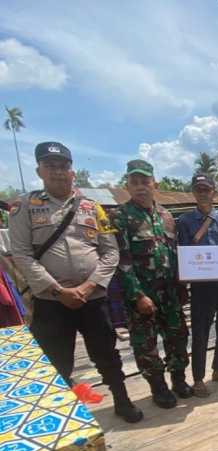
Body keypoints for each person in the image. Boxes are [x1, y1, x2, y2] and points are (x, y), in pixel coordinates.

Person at [9, 142, 142, 423]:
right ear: (39, 170)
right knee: (56, 361)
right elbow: (21, 254)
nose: (58, 172)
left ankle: (121, 400)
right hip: (51, 301)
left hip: (92, 298)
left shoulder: (92, 208)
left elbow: (110, 252)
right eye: (51, 166)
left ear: (72, 171)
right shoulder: (24, 207)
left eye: (63, 166)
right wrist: (59, 290)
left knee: (107, 354)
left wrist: (88, 286)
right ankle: (59, 416)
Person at [112, 160, 193, 409]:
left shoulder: (167, 216)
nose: (140, 187)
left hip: (170, 292)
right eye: (134, 182)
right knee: (146, 345)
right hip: (142, 296)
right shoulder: (121, 217)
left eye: (145, 182)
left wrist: (182, 284)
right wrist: (137, 296)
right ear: (127, 185)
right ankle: (159, 388)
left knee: (178, 337)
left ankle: (179, 380)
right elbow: (122, 261)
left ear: (154, 184)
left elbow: (175, 253)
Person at [177, 174, 218, 398]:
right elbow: (183, 254)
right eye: (199, 189)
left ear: (213, 191)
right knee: (201, 332)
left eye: (207, 188)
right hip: (201, 286)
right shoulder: (184, 222)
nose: (203, 192)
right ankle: (197, 379)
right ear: (194, 192)